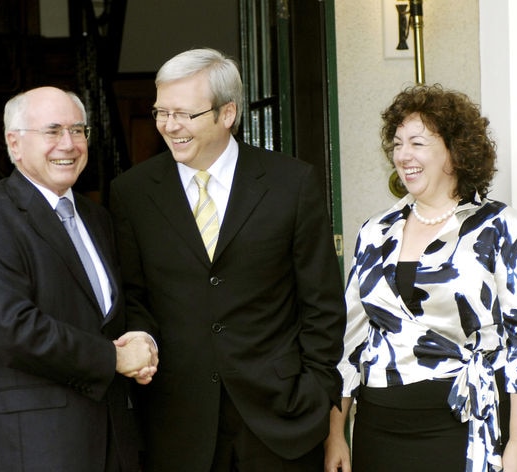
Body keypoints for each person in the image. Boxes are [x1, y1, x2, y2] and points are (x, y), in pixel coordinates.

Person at [110, 47, 346, 471]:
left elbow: (322, 303)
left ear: (227, 113)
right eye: (162, 111)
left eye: (184, 114)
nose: (169, 126)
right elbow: (134, 295)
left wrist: (315, 393)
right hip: (176, 425)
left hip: (282, 420)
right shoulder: (132, 192)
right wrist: (141, 343)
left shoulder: (291, 183)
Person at [323, 85, 517, 472]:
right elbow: (349, 341)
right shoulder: (375, 231)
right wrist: (335, 433)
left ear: (455, 151)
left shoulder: (505, 228)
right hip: (378, 429)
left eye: (417, 143)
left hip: (460, 425)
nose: (403, 155)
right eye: (397, 144)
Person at [0, 86, 157, 472]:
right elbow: (13, 329)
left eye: (78, 130)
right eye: (52, 131)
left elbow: (122, 303)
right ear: (14, 144)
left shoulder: (97, 218)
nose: (69, 143)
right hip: (35, 446)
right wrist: (113, 357)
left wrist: (142, 339)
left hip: (113, 440)